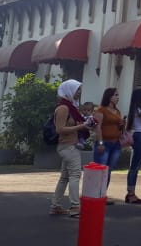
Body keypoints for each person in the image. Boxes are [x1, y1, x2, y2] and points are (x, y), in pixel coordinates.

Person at [50, 79, 88, 218]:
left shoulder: (71, 107)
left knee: (65, 177)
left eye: (80, 90)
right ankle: (75, 206)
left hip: (69, 145)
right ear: (69, 90)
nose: (79, 93)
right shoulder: (64, 108)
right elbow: (60, 129)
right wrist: (81, 126)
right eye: (77, 90)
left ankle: (55, 205)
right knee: (75, 175)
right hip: (67, 146)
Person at [93, 87, 124, 202]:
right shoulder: (101, 110)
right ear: (109, 96)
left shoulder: (118, 111)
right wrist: (100, 143)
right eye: (115, 95)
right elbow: (98, 127)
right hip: (104, 143)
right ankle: (96, 194)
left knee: (108, 170)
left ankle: (102, 194)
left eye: (118, 95)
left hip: (115, 143)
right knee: (101, 169)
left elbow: (119, 127)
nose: (117, 98)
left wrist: (122, 125)